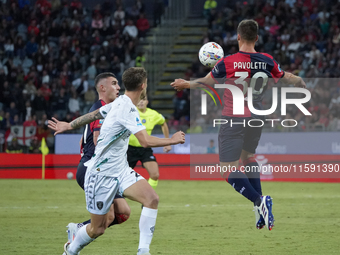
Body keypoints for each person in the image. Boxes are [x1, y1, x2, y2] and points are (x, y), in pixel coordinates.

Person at [171, 19, 306, 231]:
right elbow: (287, 77)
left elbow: (206, 82)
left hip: (234, 119)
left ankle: (259, 201)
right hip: (257, 117)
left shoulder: (228, 62)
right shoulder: (267, 60)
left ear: (238, 37)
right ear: (257, 38)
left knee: (226, 169)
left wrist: (185, 84)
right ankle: (259, 208)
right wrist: (299, 81)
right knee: (248, 157)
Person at [48, 67, 185, 255]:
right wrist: (173, 139)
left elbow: (95, 114)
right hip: (101, 174)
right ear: (143, 86)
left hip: (120, 170)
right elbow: (145, 141)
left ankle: (143, 251)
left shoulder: (120, 101)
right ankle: (70, 251)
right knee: (98, 229)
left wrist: (69, 125)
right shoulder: (127, 108)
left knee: (151, 199)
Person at [66, 72, 131, 244]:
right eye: (114, 83)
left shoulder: (103, 109)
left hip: (102, 169)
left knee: (123, 213)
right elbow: (98, 139)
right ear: (102, 88)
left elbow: (83, 139)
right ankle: (77, 236)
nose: (119, 87)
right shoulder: (101, 108)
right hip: (93, 169)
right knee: (107, 218)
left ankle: (79, 229)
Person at [128, 95, 171, 190]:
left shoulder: (154, 114)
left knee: (155, 174)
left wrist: (167, 142)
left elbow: (163, 123)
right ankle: (117, 197)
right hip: (128, 149)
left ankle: (148, 195)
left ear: (147, 101)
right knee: (120, 175)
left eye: (143, 99)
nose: (141, 102)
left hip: (145, 148)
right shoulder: (130, 112)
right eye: (139, 99)